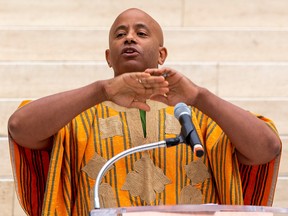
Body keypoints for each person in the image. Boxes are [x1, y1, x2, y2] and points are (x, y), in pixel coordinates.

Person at [8, 8, 281, 216]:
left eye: (141, 33)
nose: (129, 37)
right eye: (120, 34)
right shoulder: (77, 116)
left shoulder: (200, 119)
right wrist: (101, 91)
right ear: (108, 56)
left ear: (162, 54)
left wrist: (199, 96)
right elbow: (20, 128)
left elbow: (267, 148)